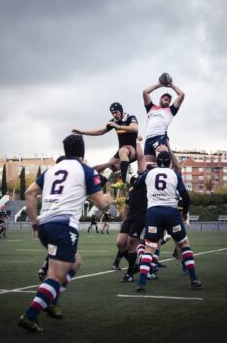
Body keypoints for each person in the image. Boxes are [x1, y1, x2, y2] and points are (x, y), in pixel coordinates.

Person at [18, 134, 112, 333]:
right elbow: (101, 204)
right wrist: (109, 198)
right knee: (54, 276)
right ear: (82, 151)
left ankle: (52, 301)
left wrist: (35, 221)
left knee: (75, 261)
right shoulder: (85, 170)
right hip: (63, 227)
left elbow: (29, 193)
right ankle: (30, 316)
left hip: (46, 226)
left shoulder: (51, 170)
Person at [134, 151, 201, 291]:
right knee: (183, 245)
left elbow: (136, 185)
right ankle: (193, 278)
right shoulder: (174, 175)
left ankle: (141, 283)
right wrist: (185, 213)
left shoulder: (149, 173)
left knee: (149, 247)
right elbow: (185, 197)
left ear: (157, 162)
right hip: (171, 213)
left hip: (153, 214)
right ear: (170, 162)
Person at [72, 102, 143, 184]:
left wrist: (118, 126)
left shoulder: (130, 117)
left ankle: (124, 178)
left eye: (116, 112)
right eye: (112, 113)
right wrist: (83, 132)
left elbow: (134, 128)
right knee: (108, 167)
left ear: (121, 111)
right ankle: (100, 184)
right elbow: (100, 131)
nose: (114, 115)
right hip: (121, 151)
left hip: (133, 150)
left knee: (123, 150)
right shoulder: (113, 121)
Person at [142, 75, 185, 168]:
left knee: (163, 164)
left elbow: (181, 94)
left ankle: (170, 178)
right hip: (148, 139)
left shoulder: (171, 110)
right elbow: (145, 92)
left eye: (169, 100)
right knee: (148, 168)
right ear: (161, 99)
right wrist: (158, 85)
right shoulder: (151, 108)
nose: (168, 101)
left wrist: (172, 85)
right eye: (166, 99)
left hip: (159, 137)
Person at [112, 175, 147, 281]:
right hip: (129, 219)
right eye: (133, 181)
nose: (134, 183)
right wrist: (124, 221)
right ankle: (135, 266)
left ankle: (130, 273)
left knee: (131, 243)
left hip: (140, 218)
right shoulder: (131, 192)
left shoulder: (147, 190)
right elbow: (125, 208)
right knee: (120, 243)